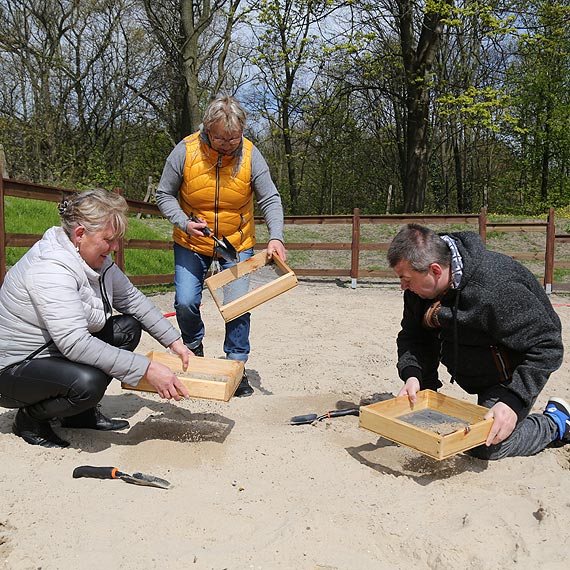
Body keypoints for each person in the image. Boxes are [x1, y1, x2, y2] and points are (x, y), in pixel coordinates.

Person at [0, 189, 193, 448]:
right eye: (109, 240)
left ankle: (78, 414)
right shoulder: (51, 270)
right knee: (87, 383)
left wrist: (174, 342)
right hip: (14, 369)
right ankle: (30, 420)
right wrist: (146, 369)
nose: (115, 248)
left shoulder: (96, 261)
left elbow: (133, 301)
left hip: (50, 352)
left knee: (127, 328)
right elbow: (74, 343)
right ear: (80, 234)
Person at [386, 223, 567, 460]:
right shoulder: (417, 291)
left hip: (509, 371)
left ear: (435, 270)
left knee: (486, 446)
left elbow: (548, 345)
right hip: (472, 363)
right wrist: (414, 375)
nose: (403, 287)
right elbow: (413, 335)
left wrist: (513, 401)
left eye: (406, 279)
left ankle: (556, 422)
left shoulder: (496, 287)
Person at [156, 93, 286, 397]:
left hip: (238, 241)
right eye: (221, 139)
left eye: (234, 138)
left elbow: (270, 198)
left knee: (238, 306)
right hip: (192, 240)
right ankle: (193, 348)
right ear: (207, 130)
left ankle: (236, 367)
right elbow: (163, 195)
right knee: (186, 302)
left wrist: (276, 236)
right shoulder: (185, 151)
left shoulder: (252, 155)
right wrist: (184, 222)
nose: (229, 144)